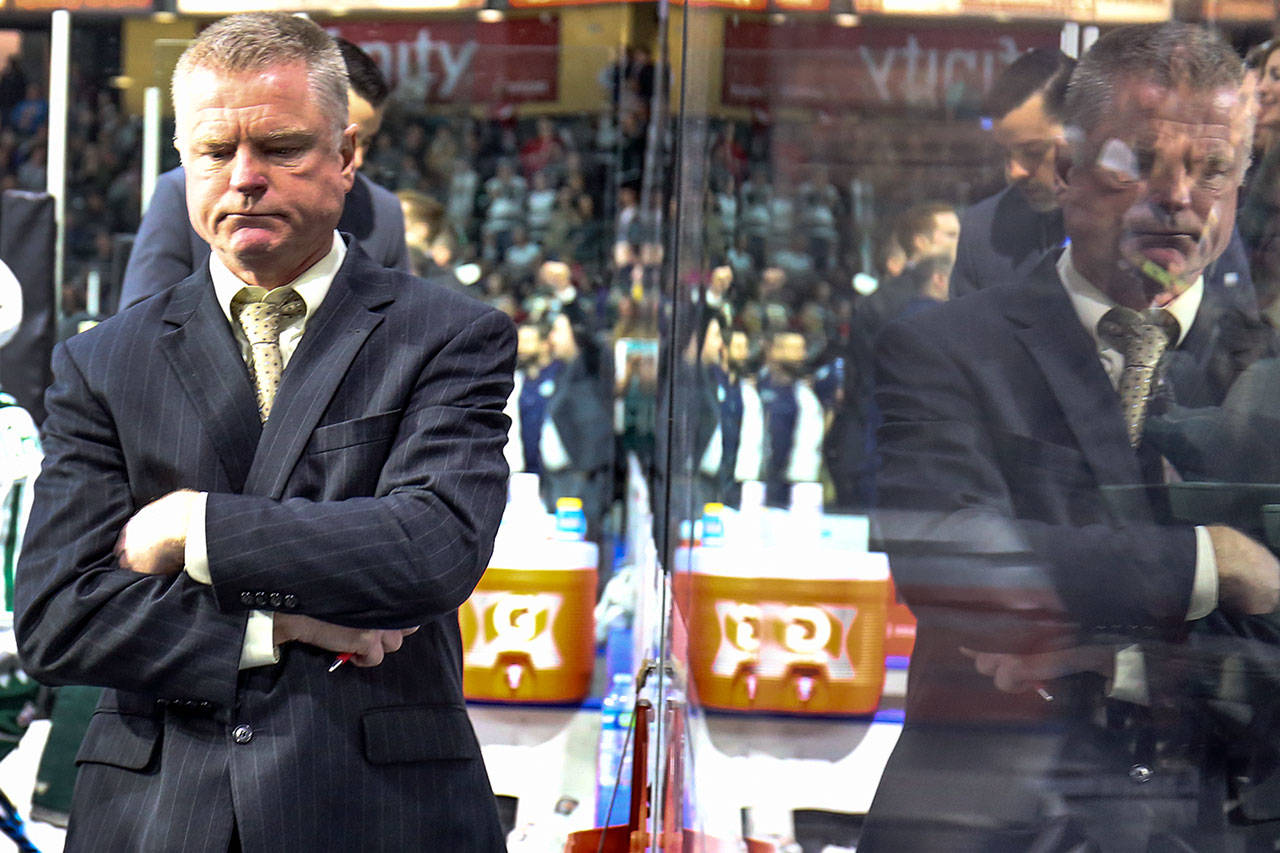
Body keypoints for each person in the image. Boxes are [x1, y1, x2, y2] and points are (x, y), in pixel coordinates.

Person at [15, 14, 513, 851]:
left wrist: (193, 525)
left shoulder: (447, 336)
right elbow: (60, 615)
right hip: (158, 813)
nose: (244, 177)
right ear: (184, 164)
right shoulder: (103, 363)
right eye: (215, 152)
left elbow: (431, 549)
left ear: (347, 155)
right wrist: (277, 627)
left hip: (381, 810)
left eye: (281, 147)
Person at [861, 23, 1280, 849]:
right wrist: (1218, 563)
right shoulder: (945, 348)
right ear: (1062, 170)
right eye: (1140, 161)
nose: (1177, 196)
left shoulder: (1267, 379)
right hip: (983, 817)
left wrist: (1121, 657)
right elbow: (957, 561)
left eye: (1212, 170)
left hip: (1217, 818)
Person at [118, 36, 408, 310]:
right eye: (337, 135)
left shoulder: (383, 213)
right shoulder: (182, 193)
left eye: (364, 141)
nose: (355, 159)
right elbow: (143, 327)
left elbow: (401, 330)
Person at [949, 48, 1074, 297]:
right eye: (1005, 153)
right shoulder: (983, 230)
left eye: (1033, 152)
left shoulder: (1134, 220)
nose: (1014, 172)